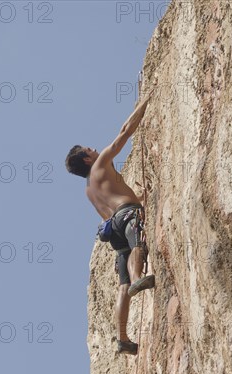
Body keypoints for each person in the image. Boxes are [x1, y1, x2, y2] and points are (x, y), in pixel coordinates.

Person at [65, 94, 155, 356]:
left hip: (112, 227)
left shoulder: (88, 190)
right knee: (137, 245)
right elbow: (124, 133)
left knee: (122, 285)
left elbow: (109, 207)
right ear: (86, 159)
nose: (95, 149)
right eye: (89, 149)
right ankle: (140, 278)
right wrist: (145, 102)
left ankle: (123, 337)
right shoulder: (102, 163)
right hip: (127, 216)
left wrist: (136, 197)